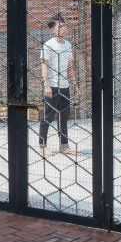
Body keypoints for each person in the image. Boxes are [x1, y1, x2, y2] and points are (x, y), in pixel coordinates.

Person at [40, 13, 77, 157]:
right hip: (53, 86)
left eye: (64, 26)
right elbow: (44, 66)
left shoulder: (68, 45)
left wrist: (74, 83)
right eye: (60, 26)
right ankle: (42, 146)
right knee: (48, 116)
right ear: (52, 30)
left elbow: (70, 66)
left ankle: (64, 145)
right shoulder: (48, 45)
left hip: (65, 86)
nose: (63, 29)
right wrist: (46, 85)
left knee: (64, 116)